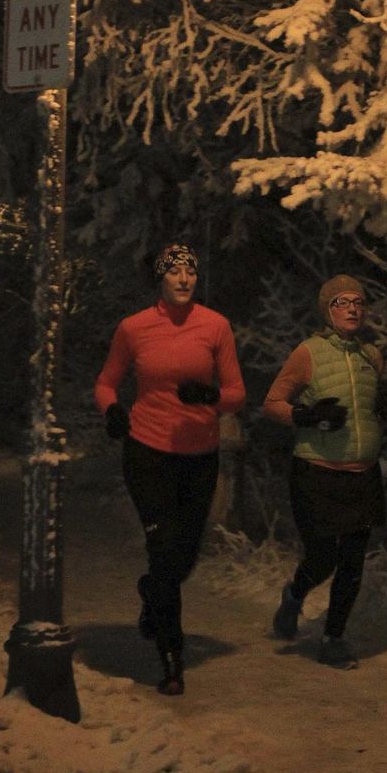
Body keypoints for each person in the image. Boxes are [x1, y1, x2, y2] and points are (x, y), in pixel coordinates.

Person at [94, 241, 246, 695]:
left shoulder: (215, 326)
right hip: (148, 450)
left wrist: (212, 399)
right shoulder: (134, 328)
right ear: (161, 278)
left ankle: (152, 592)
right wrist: (113, 412)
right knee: (163, 546)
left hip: (199, 456)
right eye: (175, 272)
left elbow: (237, 391)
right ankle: (171, 655)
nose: (183, 279)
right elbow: (106, 382)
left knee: (181, 560)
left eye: (190, 273)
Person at [263, 274, 387, 670]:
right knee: (323, 556)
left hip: (363, 472)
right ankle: (294, 595)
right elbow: (272, 403)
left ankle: (333, 638)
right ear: (327, 310)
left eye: (358, 301)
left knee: (353, 560)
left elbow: (370, 413)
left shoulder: (372, 356)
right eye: (342, 302)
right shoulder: (307, 352)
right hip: (317, 473)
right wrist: (306, 415)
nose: (353, 308)